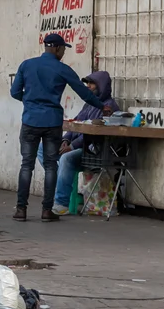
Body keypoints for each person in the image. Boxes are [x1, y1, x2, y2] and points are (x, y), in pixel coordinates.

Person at [10, 33, 96, 222]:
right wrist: (100, 106)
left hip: (30, 121)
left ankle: (21, 210)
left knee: (26, 165)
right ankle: (47, 211)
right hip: (52, 122)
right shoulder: (62, 69)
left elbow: (14, 92)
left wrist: (31, 101)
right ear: (57, 48)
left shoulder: (26, 65)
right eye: (63, 48)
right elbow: (84, 93)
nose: (64, 52)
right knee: (51, 166)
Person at [52, 71, 122, 212]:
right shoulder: (88, 105)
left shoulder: (109, 107)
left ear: (101, 86)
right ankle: (64, 181)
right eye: (87, 83)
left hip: (93, 151)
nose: (88, 86)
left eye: (92, 83)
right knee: (43, 149)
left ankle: (61, 204)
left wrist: (72, 146)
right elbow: (76, 122)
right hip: (78, 148)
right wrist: (65, 139)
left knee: (66, 158)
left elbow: (94, 134)